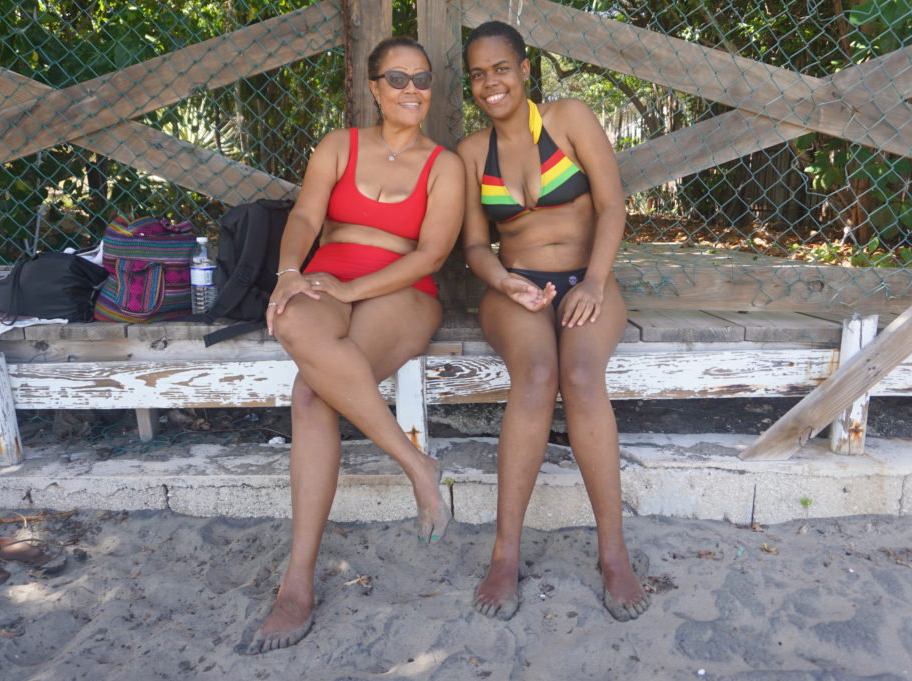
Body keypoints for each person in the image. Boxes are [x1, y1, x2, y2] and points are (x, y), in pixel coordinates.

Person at [245, 36, 465, 654]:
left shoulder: (444, 165)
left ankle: (296, 586)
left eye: (422, 79)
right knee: (290, 324)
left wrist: (351, 289)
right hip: (323, 279)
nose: (412, 90)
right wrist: (291, 273)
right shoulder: (338, 146)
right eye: (397, 80)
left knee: (313, 397)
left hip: (404, 290)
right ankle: (416, 463)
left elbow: (433, 253)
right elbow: (306, 218)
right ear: (373, 88)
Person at [457, 21, 650, 622]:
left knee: (584, 377)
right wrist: (505, 282)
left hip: (587, 280)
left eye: (501, 69)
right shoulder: (470, 153)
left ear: (524, 70)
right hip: (514, 287)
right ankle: (505, 553)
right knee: (537, 375)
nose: (492, 82)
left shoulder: (568, 119)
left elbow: (614, 204)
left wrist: (593, 281)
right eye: (478, 74)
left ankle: (613, 552)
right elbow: (474, 247)